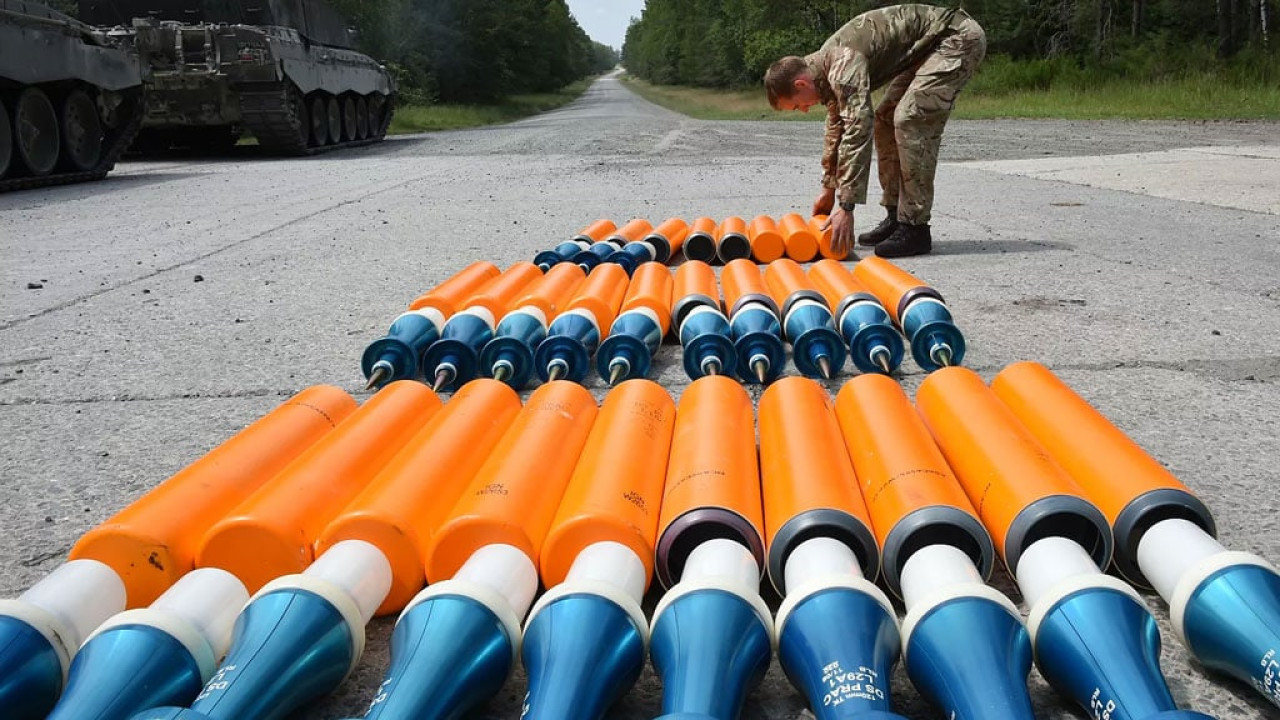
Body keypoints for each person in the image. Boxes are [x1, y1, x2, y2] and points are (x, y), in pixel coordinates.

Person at [765, 4, 986, 258]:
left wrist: (846, 208)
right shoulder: (824, 72)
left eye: (796, 105)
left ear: (800, 83)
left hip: (955, 38)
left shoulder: (841, 64)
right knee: (886, 118)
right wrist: (828, 187)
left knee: (909, 118)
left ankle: (915, 227)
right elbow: (838, 127)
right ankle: (895, 216)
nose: (803, 110)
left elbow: (858, 128)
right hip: (927, 48)